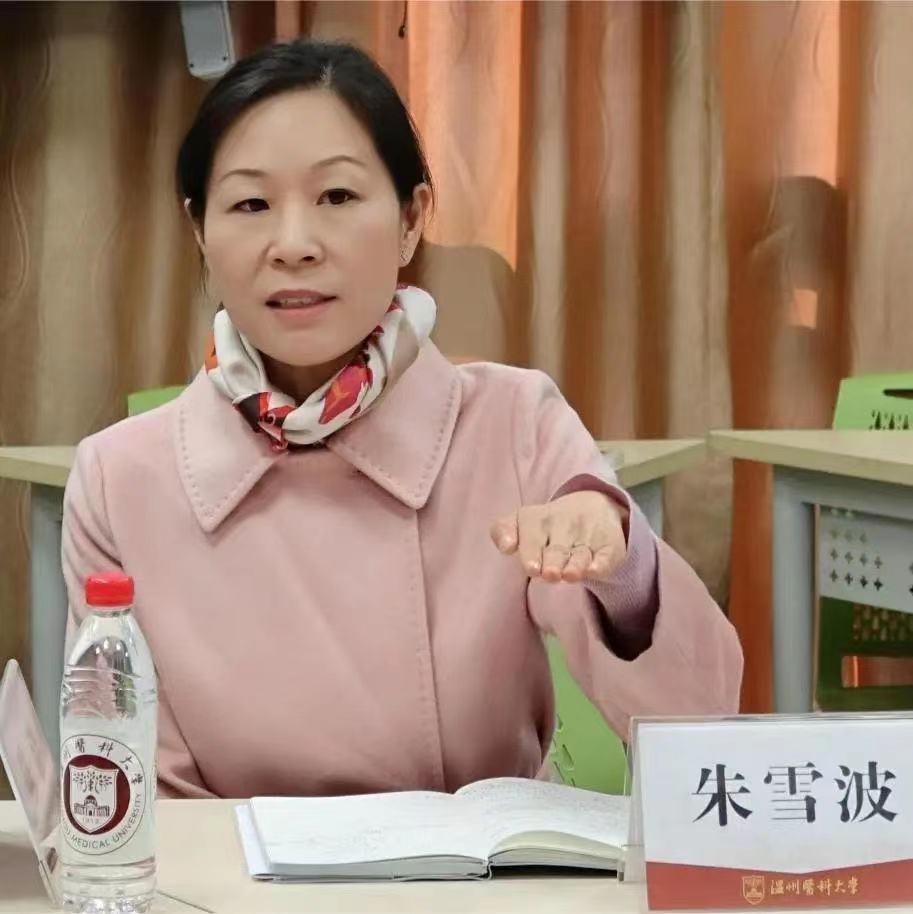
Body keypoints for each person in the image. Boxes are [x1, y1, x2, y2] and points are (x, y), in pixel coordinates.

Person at [61, 40, 742, 800]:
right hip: (232, 869)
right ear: (198, 230)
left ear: (411, 218)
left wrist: (624, 573)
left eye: (337, 197)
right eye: (251, 205)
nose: (294, 246)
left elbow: (699, 724)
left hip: (482, 864)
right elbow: (131, 788)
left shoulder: (513, 424)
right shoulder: (118, 478)